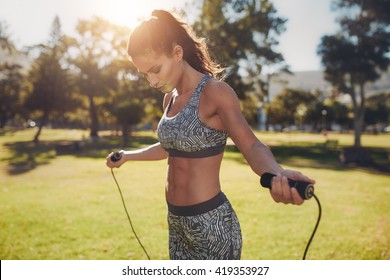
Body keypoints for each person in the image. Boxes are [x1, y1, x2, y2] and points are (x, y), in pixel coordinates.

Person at [106, 9, 315, 260]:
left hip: (212, 226)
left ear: (177, 53)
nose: (151, 80)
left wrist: (278, 174)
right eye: (145, 74)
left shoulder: (215, 93)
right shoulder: (168, 100)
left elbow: (252, 146)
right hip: (177, 223)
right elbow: (171, 146)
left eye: (156, 69)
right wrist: (128, 156)